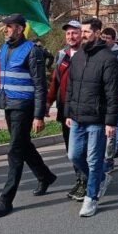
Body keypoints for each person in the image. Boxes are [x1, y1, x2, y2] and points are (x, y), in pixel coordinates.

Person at [0, 14, 56, 218]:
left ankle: (6, 200)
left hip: (24, 108)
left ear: (20, 29)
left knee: (15, 151)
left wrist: (39, 116)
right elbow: (1, 81)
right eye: (4, 27)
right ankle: (45, 176)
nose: (5, 30)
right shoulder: (3, 49)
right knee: (23, 145)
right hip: (8, 105)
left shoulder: (32, 51)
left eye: (8, 26)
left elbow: (40, 85)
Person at [65, 18, 118, 217]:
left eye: (87, 31)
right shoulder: (77, 56)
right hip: (77, 118)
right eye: (83, 31)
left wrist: (110, 121)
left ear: (97, 33)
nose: (83, 34)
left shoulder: (108, 58)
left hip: (97, 119)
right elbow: (71, 86)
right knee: (74, 155)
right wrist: (68, 112)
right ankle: (99, 180)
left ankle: (91, 198)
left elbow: (112, 92)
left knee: (94, 160)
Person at [47, 20, 86, 201]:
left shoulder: (88, 54)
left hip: (83, 109)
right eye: (68, 33)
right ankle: (80, 179)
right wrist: (48, 103)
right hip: (65, 109)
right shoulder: (62, 55)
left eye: (75, 33)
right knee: (71, 147)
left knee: (82, 149)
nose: (71, 36)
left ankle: (88, 180)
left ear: (82, 35)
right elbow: (55, 81)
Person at [99, 27, 118, 174]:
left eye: (107, 38)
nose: (104, 40)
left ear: (113, 39)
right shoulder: (100, 51)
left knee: (111, 129)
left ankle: (109, 160)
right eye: (102, 37)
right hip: (101, 98)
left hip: (115, 97)